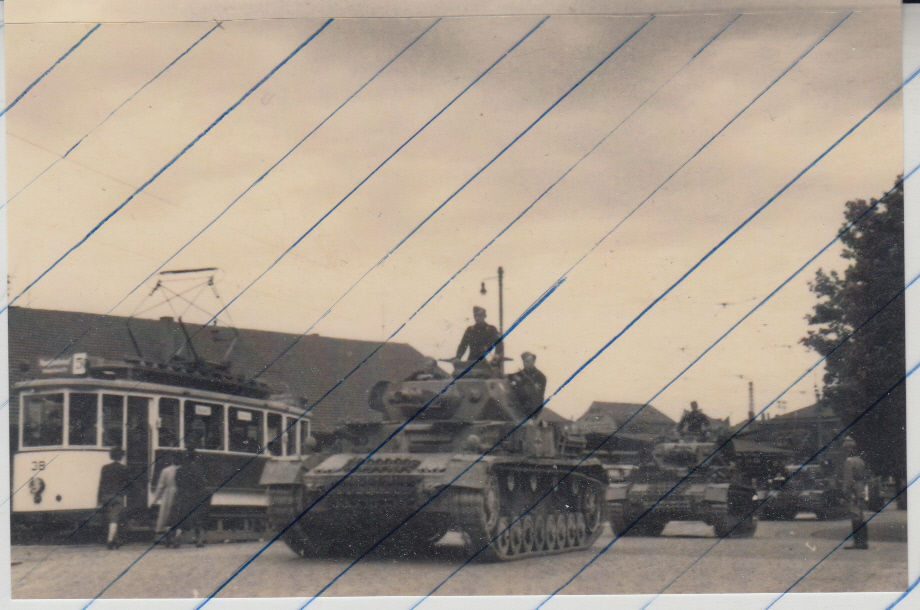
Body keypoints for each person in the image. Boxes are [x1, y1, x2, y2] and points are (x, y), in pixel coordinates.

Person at [174, 447, 208, 547]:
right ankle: (199, 540)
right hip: (195, 496)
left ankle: (178, 536)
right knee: (197, 518)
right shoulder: (198, 470)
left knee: (181, 517)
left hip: (183, 495)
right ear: (195, 458)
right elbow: (202, 484)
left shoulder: (180, 470)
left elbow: (177, 483)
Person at [97, 446, 130, 549]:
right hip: (117, 496)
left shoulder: (105, 467)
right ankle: (110, 540)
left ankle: (116, 540)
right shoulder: (124, 468)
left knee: (110, 517)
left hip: (105, 496)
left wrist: (99, 498)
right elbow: (127, 483)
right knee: (114, 518)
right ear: (121, 457)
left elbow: (101, 483)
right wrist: (124, 493)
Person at [455, 306, 504, 374]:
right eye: (476, 316)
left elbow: (499, 344)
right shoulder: (470, 330)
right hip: (472, 362)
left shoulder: (491, 329)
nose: (477, 318)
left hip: (487, 362)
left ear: (484, 316)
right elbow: (463, 345)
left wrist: (497, 355)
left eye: (480, 316)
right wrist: (458, 357)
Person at [842, 436, 869, 550]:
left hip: (853, 490)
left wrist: (846, 492)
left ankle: (858, 542)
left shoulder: (848, 461)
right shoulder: (860, 461)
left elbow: (848, 479)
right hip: (861, 487)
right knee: (861, 515)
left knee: (855, 516)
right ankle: (864, 541)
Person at [152, 453, 179, 547]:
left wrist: (155, 499)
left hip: (168, 494)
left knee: (166, 516)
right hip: (178, 494)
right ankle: (175, 538)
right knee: (176, 516)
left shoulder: (166, 471)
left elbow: (160, 486)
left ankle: (168, 538)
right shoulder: (181, 470)